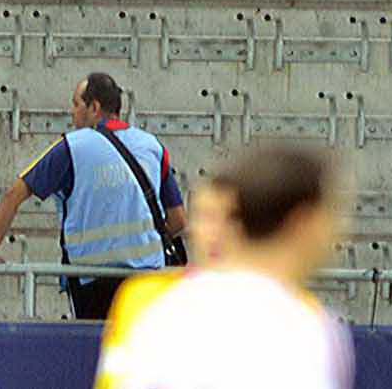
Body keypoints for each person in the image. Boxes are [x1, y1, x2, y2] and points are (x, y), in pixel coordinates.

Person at [95, 140, 346, 389]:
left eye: (227, 217)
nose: (213, 232)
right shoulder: (148, 299)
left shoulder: (308, 317)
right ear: (304, 223)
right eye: (205, 217)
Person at [0, 72, 189, 320]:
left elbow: (13, 196)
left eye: (76, 104)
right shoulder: (151, 145)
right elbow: (178, 220)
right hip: (149, 281)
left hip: (93, 282)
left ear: (94, 107)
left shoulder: (72, 147)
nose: (71, 112)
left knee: (95, 355)